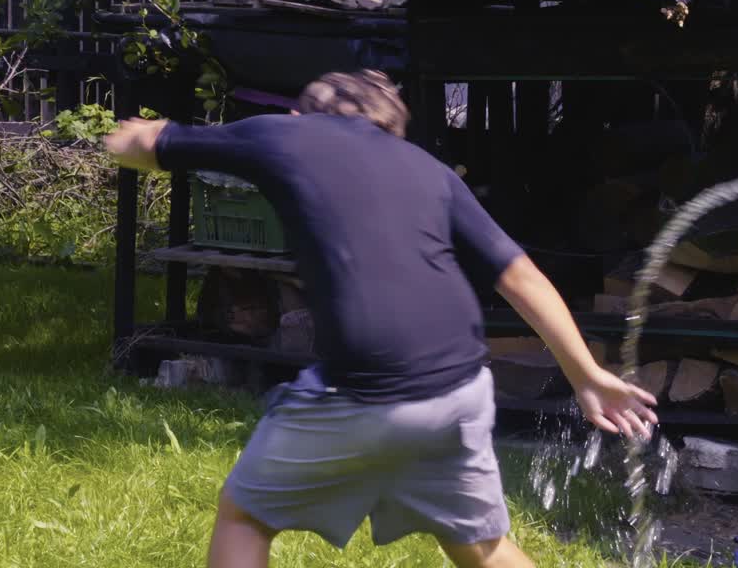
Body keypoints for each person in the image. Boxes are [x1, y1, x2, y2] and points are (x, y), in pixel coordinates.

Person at [104, 69, 659, 568]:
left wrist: (129, 138)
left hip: (366, 386)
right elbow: (522, 278)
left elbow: (151, 143)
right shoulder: (430, 169)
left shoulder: (285, 134)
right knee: (478, 546)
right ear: (389, 129)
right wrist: (586, 376)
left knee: (245, 514)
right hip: (459, 389)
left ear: (303, 116)